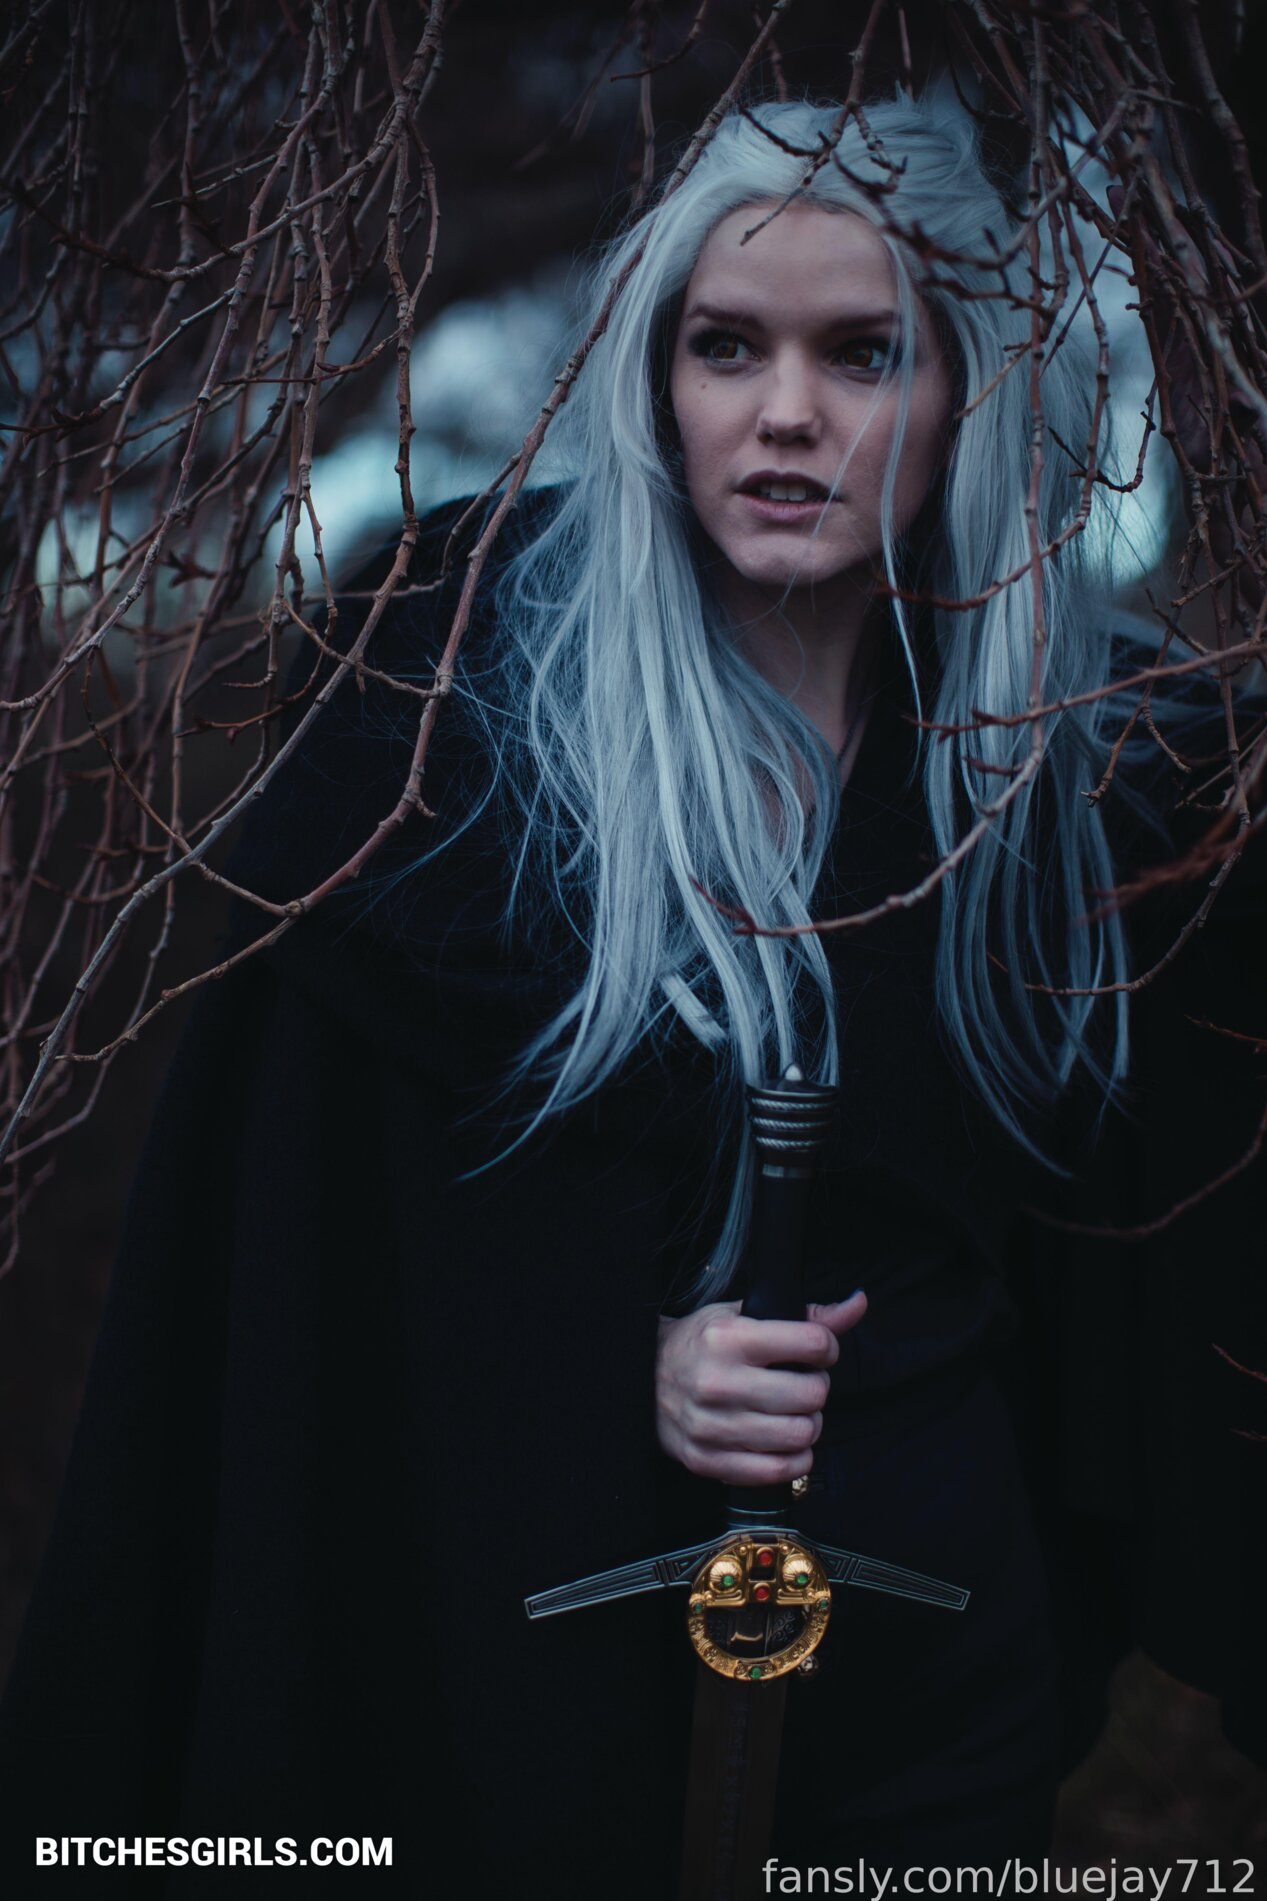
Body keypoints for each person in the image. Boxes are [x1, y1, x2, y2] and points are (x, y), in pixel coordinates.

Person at [1, 88, 1263, 1896]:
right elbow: (329, 1245)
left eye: (863, 352)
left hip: (933, 1674)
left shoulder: (1075, 769)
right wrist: (621, 1350)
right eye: (725, 345)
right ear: (655, 378)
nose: (784, 413)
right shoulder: (443, 726)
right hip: (525, 1661)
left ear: (962, 394)